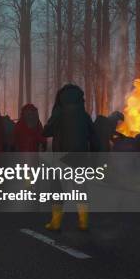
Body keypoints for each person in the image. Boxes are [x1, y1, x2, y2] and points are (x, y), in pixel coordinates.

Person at [42, 84, 99, 231]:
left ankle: (56, 223)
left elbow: (46, 131)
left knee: (58, 190)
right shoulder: (84, 116)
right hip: (79, 157)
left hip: (62, 157)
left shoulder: (59, 114)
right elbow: (93, 136)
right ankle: (83, 222)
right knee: (80, 190)